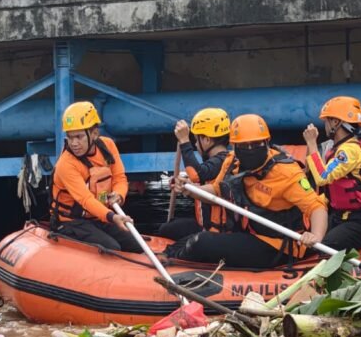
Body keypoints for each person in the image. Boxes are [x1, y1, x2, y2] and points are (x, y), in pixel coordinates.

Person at [169, 114, 327, 268]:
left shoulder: (287, 172)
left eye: (256, 144)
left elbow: (316, 206)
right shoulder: (232, 163)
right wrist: (190, 189)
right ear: (235, 146)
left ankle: (171, 264)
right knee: (184, 238)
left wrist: (316, 236)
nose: (250, 149)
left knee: (201, 243)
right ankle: (166, 257)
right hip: (251, 233)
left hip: (277, 245)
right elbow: (216, 191)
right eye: (244, 146)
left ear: (267, 142)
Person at [49, 101, 142, 252]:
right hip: (71, 222)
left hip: (98, 217)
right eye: (70, 137)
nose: (74, 143)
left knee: (135, 245)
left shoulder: (108, 146)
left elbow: (120, 178)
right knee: (112, 247)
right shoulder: (66, 164)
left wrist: (119, 195)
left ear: (94, 134)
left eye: (79, 137)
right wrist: (112, 217)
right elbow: (85, 200)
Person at [303, 96, 361, 253]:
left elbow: (322, 177)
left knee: (326, 248)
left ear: (336, 122)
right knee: (308, 245)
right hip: (340, 216)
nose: (325, 125)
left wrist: (312, 143)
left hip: (360, 220)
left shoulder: (349, 151)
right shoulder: (338, 148)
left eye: (327, 121)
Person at [159, 108, 231, 241]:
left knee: (187, 241)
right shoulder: (215, 163)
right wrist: (182, 183)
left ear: (207, 140)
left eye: (197, 140)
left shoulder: (223, 160)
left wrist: (184, 141)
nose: (196, 145)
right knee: (167, 229)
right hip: (203, 225)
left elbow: (197, 174)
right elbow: (201, 178)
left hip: (217, 233)